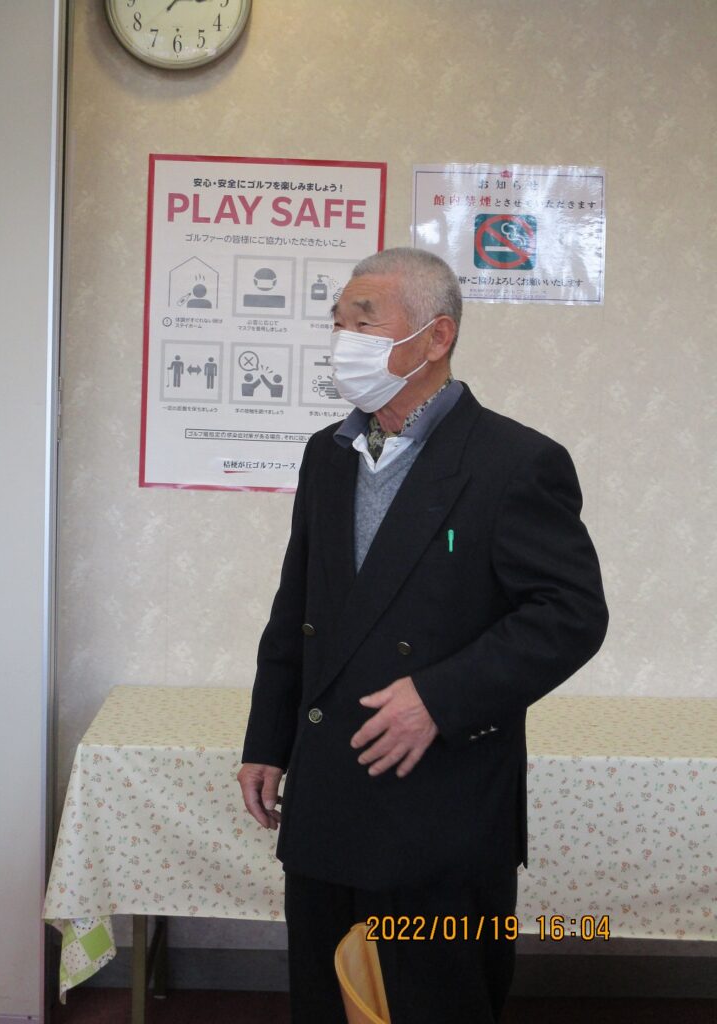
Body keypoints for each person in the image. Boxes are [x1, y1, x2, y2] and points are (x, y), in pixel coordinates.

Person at [238, 247, 608, 1023]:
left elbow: (570, 614)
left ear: (436, 337)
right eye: (338, 322)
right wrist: (267, 740)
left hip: (441, 804)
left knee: (433, 1004)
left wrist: (438, 698)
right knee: (327, 1002)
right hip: (328, 793)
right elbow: (298, 605)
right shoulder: (328, 455)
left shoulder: (515, 462)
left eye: (364, 320)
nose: (343, 339)